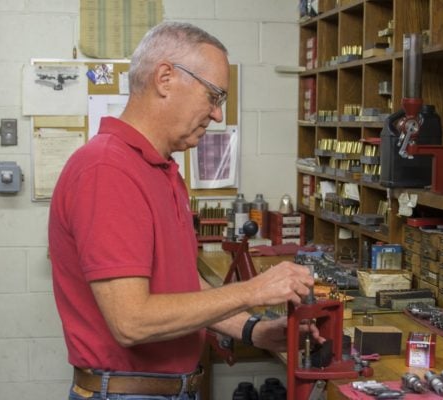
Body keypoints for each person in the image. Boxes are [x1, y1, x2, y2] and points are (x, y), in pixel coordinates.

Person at [49, 21, 319, 400]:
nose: (218, 114)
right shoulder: (107, 170)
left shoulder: (162, 170)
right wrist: (252, 290)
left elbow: (182, 287)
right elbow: (132, 321)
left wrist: (252, 330)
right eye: (213, 96)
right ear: (165, 78)